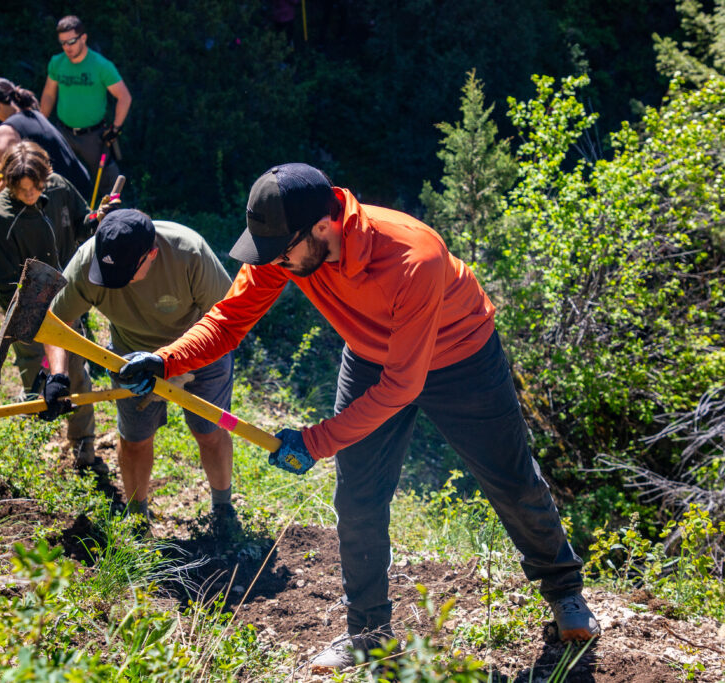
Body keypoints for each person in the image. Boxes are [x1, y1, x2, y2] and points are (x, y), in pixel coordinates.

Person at [116, 163, 601, 670]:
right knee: (358, 497)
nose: (274, 263)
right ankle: (367, 634)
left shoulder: (415, 256)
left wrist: (317, 440)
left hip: (462, 357)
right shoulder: (287, 247)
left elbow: (402, 386)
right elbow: (229, 319)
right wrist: (167, 358)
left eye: (282, 252)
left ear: (323, 228)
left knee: (511, 480)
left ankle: (565, 592)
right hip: (373, 354)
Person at [39, 208, 238, 536]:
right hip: (131, 361)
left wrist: (175, 363)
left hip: (202, 350)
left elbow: (228, 321)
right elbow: (57, 325)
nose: (115, 286)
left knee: (209, 432)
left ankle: (223, 508)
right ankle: (137, 519)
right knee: (135, 439)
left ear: (152, 255)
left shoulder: (189, 253)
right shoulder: (89, 262)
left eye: (126, 275)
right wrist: (57, 375)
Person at [0, 140, 102, 474]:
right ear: (9, 183)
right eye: (23, 191)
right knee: (35, 379)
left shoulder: (60, 188)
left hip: (66, 300)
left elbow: (83, 223)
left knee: (75, 374)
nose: (32, 194)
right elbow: (6, 281)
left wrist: (97, 219)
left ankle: (84, 448)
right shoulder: (0, 219)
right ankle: (31, 454)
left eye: (37, 187)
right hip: (29, 307)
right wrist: (26, 324)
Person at [39, 15, 131, 199]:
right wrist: (41, 122)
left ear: (83, 38)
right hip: (63, 133)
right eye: (63, 43)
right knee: (56, 176)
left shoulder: (101, 66)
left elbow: (124, 97)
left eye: (71, 42)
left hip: (94, 136)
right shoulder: (57, 63)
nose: (67, 47)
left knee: (109, 181)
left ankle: (112, 219)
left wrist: (116, 129)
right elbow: (49, 94)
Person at [0, 78, 92, 200]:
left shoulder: (5, 130)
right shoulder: (36, 116)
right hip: (81, 189)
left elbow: (10, 177)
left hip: (56, 197)